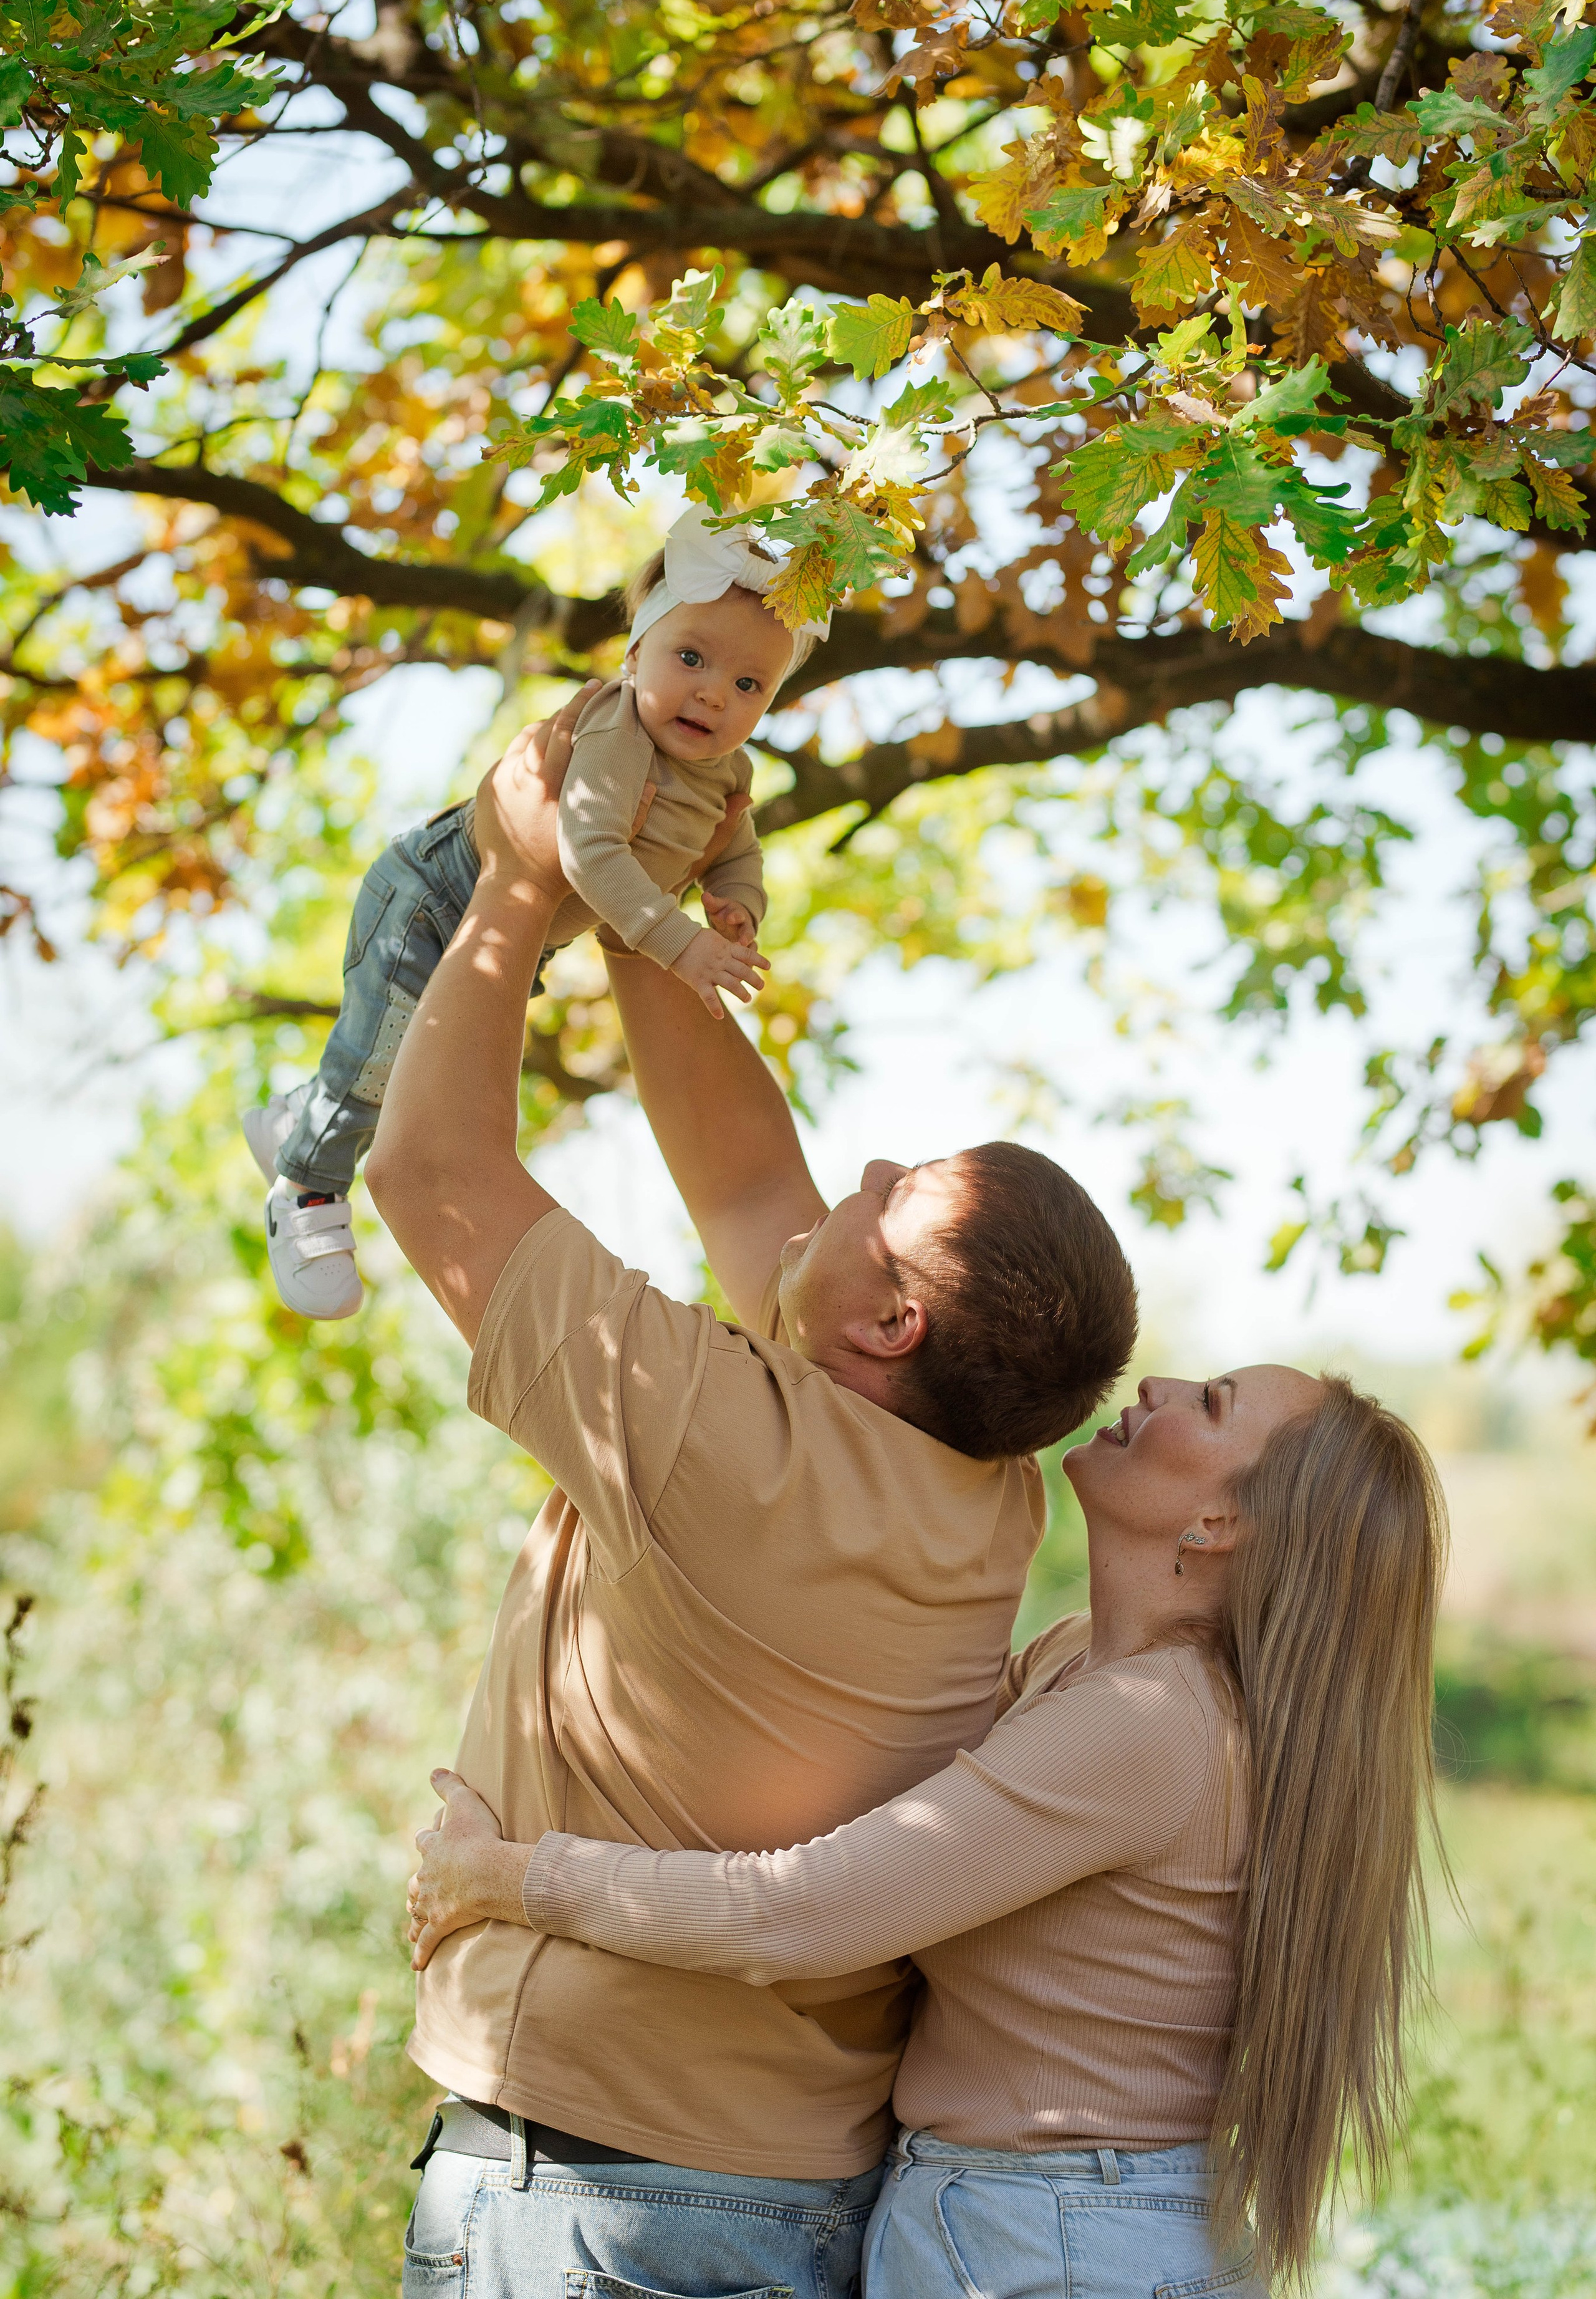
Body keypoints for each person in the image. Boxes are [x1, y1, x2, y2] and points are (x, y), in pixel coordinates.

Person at [360, 675, 1141, 2298]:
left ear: (891, 1321)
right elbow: (741, 1171)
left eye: (894, 1192)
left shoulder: (723, 1441)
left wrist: (520, 880)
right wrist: (651, 874)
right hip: (780, 2185)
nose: (853, 1175)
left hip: (585, 2198)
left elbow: (427, 1172)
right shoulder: (974, 1491)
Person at [408, 1365, 1447, 2298]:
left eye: (1211, 1404)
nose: (1161, 1385)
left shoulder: (1155, 1727)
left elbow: (798, 1915)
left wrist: (502, 1878)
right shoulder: (1079, 1662)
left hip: (1052, 2245)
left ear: (1221, 1524)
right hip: (1054, 2227)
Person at [241, 506, 827, 1319]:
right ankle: (306, 1186)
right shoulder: (619, 731)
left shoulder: (730, 771)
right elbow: (584, 851)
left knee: (415, 1067)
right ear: (633, 654)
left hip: (520, 932)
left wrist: (736, 907)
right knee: (385, 1060)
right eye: (690, 656)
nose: (712, 692)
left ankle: (302, 1114)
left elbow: (736, 854)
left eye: (748, 684)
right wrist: (679, 944)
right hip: (434, 899)